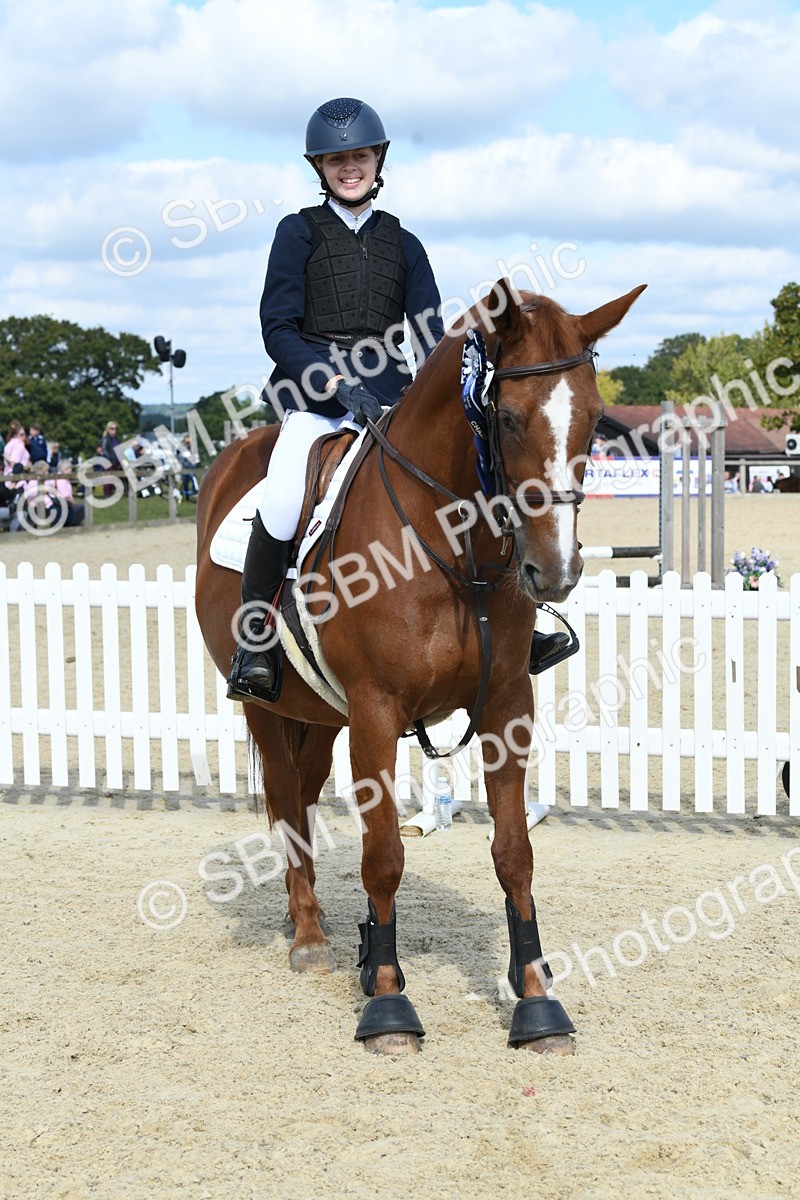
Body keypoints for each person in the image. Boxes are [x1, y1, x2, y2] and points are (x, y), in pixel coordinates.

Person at [227, 97, 568, 702]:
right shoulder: (297, 232)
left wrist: (460, 385)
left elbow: (431, 336)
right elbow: (277, 328)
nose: (348, 168)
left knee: (485, 476)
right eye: (336, 160)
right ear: (321, 167)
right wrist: (332, 383)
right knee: (281, 497)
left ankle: (527, 622)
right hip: (316, 400)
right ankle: (256, 643)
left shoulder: (403, 243)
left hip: (393, 399)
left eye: (358, 156)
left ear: (376, 160)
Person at [1, 419, 30, 507]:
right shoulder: (19, 445)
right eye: (22, 434)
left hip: (7, 475)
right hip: (16, 478)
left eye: (24, 434)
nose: (24, 436)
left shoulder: (9, 444)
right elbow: (15, 463)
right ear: (15, 434)